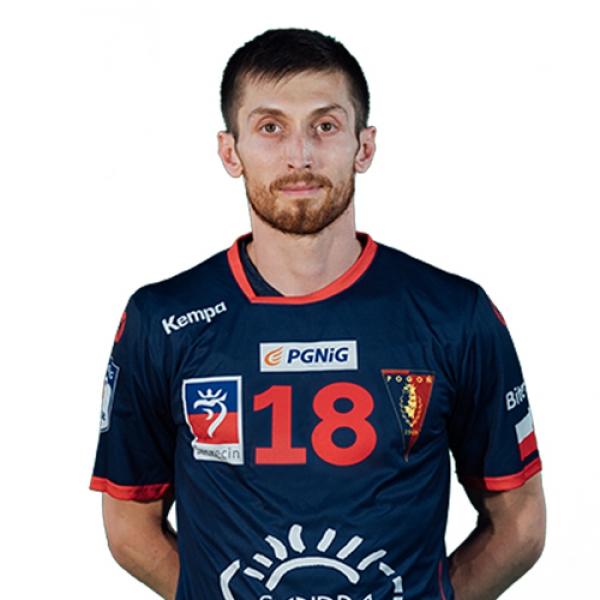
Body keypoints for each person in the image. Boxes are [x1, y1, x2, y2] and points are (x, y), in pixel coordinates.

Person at [91, 28, 545, 600]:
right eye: (271, 127)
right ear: (230, 152)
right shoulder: (162, 320)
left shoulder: (454, 315)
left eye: (325, 126)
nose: (299, 156)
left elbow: (520, 524)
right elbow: (128, 524)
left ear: (364, 146)